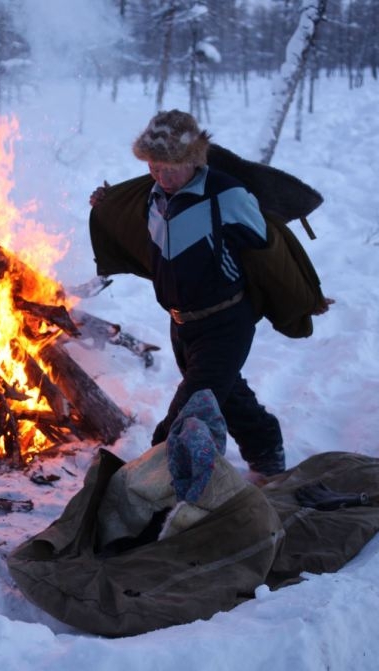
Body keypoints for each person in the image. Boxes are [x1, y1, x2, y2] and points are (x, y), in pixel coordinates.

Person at [90, 110, 331, 479]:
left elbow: (271, 253)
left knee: (187, 413)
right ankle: (266, 448)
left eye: (170, 167)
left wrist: (303, 297)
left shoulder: (227, 197)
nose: (162, 176)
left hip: (226, 322)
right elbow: (135, 228)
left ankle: (148, 484)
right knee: (227, 391)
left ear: (194, 159)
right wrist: (106, 203)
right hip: (181, 324)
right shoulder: (151, 196)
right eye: (154, 167)